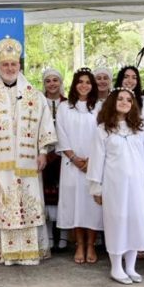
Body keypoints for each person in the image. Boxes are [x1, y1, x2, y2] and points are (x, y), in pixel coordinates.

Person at [0, 37, 57, 266]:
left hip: (28, 161)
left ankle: (29, 252)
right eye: (5, 65)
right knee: (2, 204)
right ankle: (3, 252)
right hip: (0, 162)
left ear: (19, 66)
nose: (9, 68)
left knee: (28, 203)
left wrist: (42, 151)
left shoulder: (34, 94)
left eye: (13, 64)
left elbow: (44, 125)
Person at [89, 87, 144, 284]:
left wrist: (139, 174)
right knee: (117, 222)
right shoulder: (103, 129)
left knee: (135, 221)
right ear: (112, 102)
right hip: (114, 185)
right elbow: (97, 159)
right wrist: (96, 187)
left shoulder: (141, 128)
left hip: (136, 185)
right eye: (120, 99)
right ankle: (116, 267)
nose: (125, 102)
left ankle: (131, 267)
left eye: (128, 100)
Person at [55, 68, 103, 264]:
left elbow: (103, 134)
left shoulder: (100, 107)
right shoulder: (65, 107)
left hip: (95, 163)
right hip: (71, 164)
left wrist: (92, 160)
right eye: (80, 81)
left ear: (92, 86)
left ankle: (91, 245)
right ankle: (80, 245)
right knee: (74, 203)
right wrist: (74, 158)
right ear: (74, 84)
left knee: (92, 204)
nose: (84, 85)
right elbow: (61, 133)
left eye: (88, 82)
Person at [41, 68, 66, 251]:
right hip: (45, 152)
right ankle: (49, 235)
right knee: (46, 194)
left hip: (65, 153)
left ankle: (64, 235)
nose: (52, 84)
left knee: (64, 194)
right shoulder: (38, 102)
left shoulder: (68, 103)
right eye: (48, 81)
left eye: (55, 80)